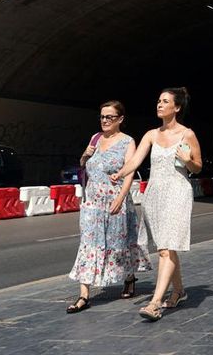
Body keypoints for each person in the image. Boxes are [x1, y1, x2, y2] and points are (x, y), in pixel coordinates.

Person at [113, 87, 202, 321]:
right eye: (158, 101)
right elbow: (135, 161)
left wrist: (187, 160)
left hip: (177, 192)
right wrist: (120, 173)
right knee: (166, 247)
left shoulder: (188, 135)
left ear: (177, 107)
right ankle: (179, 291)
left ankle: (155, 303)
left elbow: (197, 166)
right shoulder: (151, 134)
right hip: (154, 194)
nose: (159, 105)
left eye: (165, 101)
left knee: (165, 249)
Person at [65, 100, 151, 313]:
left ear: (120, 119)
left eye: (109, 117)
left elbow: (130, 171)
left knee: (120, 244)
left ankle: (129, 278)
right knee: (87, 244)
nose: (105, 121)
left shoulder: (127, 142)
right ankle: (84, 295)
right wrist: (86, 154)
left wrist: (121, 198)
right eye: (102, 117)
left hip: (116, 200)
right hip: (92, 203)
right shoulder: (95, 138)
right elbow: (85, 163)